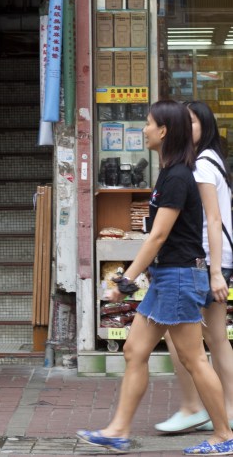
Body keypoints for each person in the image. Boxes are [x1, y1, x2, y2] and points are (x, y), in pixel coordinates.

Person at [77, 99, 233, 455]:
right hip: (169, 278)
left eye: (147, 124)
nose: (143, 129)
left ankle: (224, 435)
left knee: (193, 358)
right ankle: (118, 430)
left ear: (163, 131)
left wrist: (125, 280)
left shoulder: (179, 175)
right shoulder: (171, 171)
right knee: (134, 350)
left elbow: (158, 236)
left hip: (179, 279)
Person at [155, 101, 233, 434]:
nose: (185, 128)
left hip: (203, 262)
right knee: (216, 339)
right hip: (217, 259)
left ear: (204, 126)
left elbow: (213, 219)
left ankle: (193, 407)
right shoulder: (214, 159)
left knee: (179, 338)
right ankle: (226, 408)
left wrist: (214, 271)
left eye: (191, 122)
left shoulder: (200, 165)